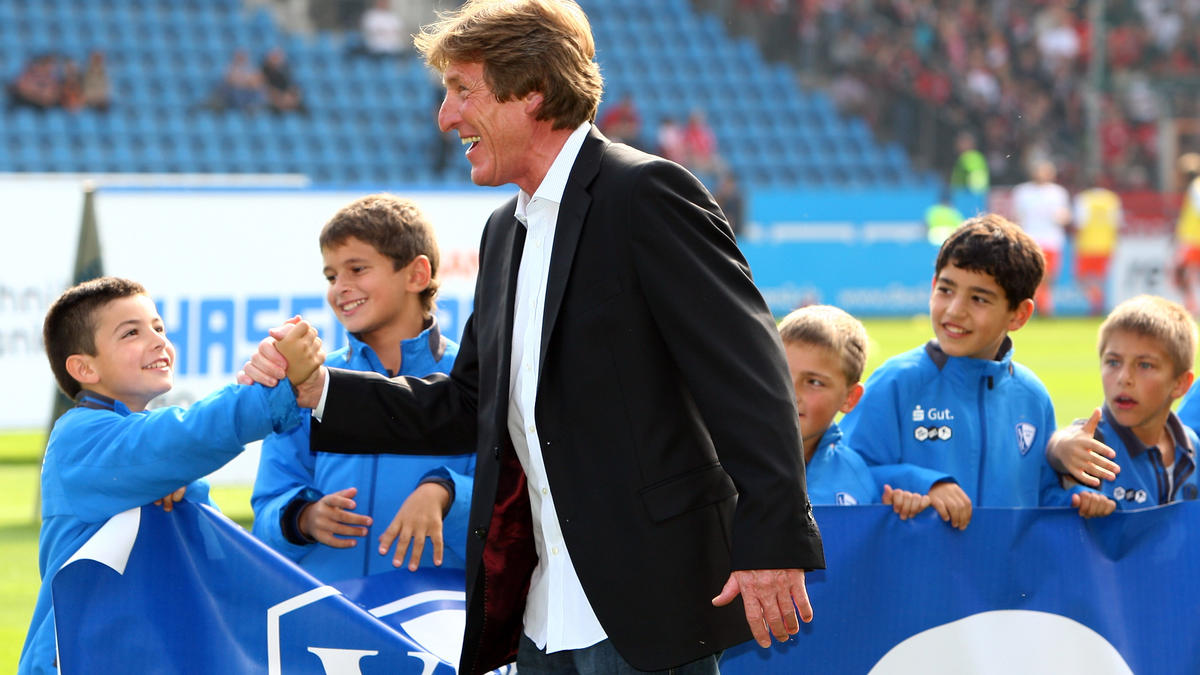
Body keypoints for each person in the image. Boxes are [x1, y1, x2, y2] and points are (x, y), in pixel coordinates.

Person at [240, 1, 824, 673]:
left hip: (644, 606)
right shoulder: (502, 232)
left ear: (533, 91)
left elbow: (748, 376)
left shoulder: (646, 194)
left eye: (463, 91)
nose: (446, 117)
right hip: (540, 615)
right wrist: (319, 390)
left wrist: (773, 539)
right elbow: (465, 404)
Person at [19, 277, 321, 675]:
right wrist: (274, 389)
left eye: (159, 327)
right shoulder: (79, 436)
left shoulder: (160, 465)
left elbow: (225, 563)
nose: (158, 340)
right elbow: (180, 436)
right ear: (84, 368)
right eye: (132, 332)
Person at [251, 194, 475, 580]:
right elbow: (269, 507)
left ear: (416, 275)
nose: (340, 288)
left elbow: (514, 508)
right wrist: (302, 518)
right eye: (331, 276)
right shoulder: (309, 382)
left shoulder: (473, 378)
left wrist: (447, 494)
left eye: (357, 269)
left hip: (442, 626)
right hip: (330, 625)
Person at [840, 214, 1074, 531]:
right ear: (933, 285)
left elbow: (1040, 498)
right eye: (946, 290)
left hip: (1002, 580)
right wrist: (924, 484)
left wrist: (1080, 497)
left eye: (979, 298)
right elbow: (847, 476)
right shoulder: (896, 382)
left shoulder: (1032, 397)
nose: (954, 311)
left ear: (1019, 314)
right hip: (917, 577)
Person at [1044, 295, 1198, 514]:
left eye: (1145, 365)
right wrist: (1059, 449)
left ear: (1180, 384)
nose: (1124, 378)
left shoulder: (1192, 448)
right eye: (1113, 362)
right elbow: (1064, 442)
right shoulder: (1092, 443)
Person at [778, 305, 930, 516]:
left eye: (814, 382)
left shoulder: (855, 475)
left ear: (850, 398)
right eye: (780, 374)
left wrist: (894, 516)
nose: (791, 393)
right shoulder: (732, 461)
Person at [1011, 158, 1071, 316]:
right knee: (1032, 275)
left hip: (1051, 240)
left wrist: (1061, 217)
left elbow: (1065, 215)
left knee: (1048, 277)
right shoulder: (1023, 192)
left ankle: (1042, 306)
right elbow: (1017, 216)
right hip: (1031, 239)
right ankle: (1041, 308)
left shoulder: (1057, 192)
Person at [1072, 182, 1122, 316]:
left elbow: (1080, 222)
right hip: (1106, 244)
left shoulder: (1083, 199)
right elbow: (1116, 223)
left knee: (1082, 278)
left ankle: (1096, 303)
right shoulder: (1111, 199)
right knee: (1100, 279)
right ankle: (1097, 303)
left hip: (1087, 244)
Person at [1173, 152, 1200, 315]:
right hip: (1192, 240)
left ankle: (1192, 305)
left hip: (1192, 241)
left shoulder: (1195, 187)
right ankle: (1192, 304)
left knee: (1181, 274)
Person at [261, 47, 305, 114]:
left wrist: (290, 97)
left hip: (284, 100)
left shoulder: (284, 72)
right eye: (275, 57)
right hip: (272, 102)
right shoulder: (263, 71)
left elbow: (292, 87)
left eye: (278, 57)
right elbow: (264, 88)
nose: (277, 60)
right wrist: (279, 97)